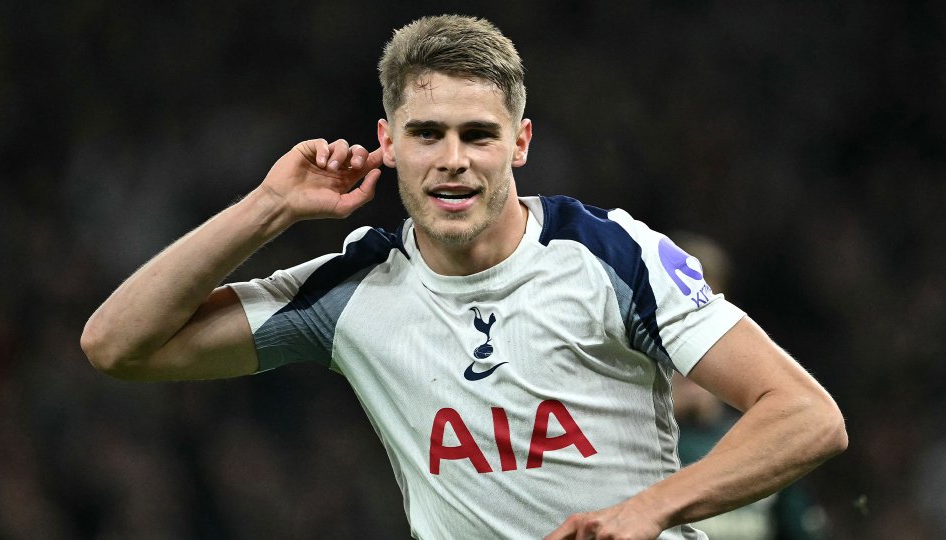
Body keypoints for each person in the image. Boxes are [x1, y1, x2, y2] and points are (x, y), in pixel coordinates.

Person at [81, 14, 847, 540]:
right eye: (427, 133)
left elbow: (809, 417)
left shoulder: (612, 253)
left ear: (520, 143)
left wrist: (647, 511)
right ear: (389, 142)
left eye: (478, 134)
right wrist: (269, 207)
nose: (453, 157)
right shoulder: (352, 290)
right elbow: (117, 346)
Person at [669, 232, 831, 540]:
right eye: (675, 327)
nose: (690, 347)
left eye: (703, 325)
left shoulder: (767, 442)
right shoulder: (624, 448)